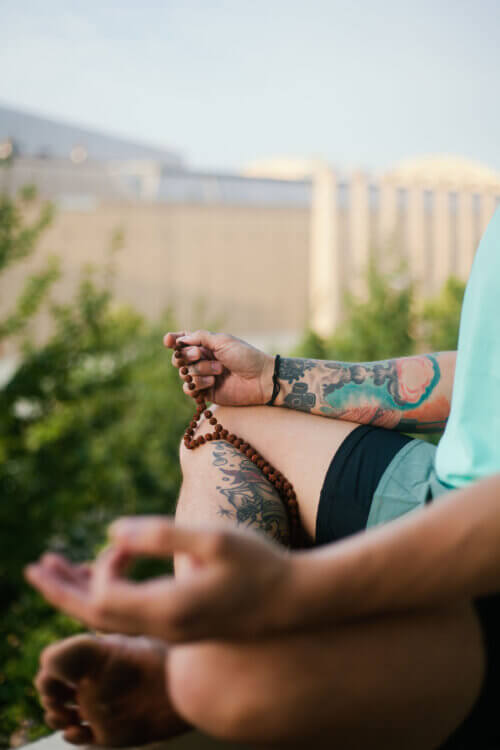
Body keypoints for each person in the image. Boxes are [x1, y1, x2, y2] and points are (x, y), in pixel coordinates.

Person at [26, 209, 500, 749]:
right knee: (224, 423)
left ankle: (206, 664)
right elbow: (485, 375)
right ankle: (208, 650)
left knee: (228, 683)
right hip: (449, 489)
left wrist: (290, 591)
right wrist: (275, 379)